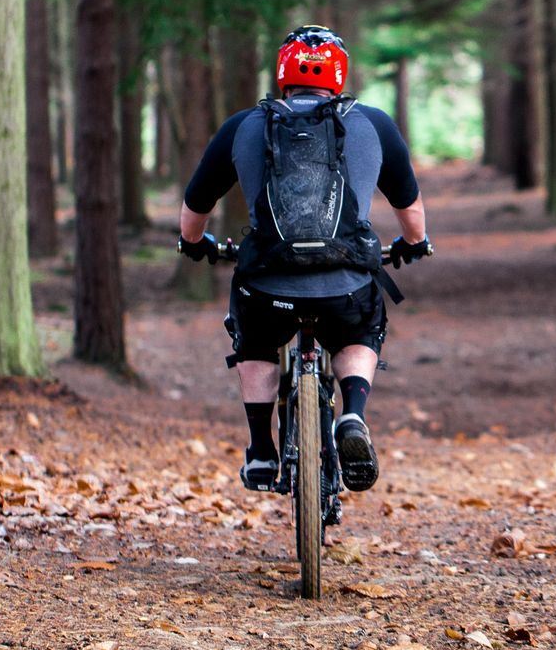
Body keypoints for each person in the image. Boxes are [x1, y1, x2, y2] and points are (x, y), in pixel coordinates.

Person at [177, 24, 433, 496]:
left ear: (281, 73)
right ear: (340, 74)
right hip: (346, 286)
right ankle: (352, 414)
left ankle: (260, 450)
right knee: (360, 328)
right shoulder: (372, 123)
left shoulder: (246, 125)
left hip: (267, 287)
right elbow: (410, 211)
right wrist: (413, 244)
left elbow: (196, 206)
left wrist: (195, 243)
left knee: (254, 337)